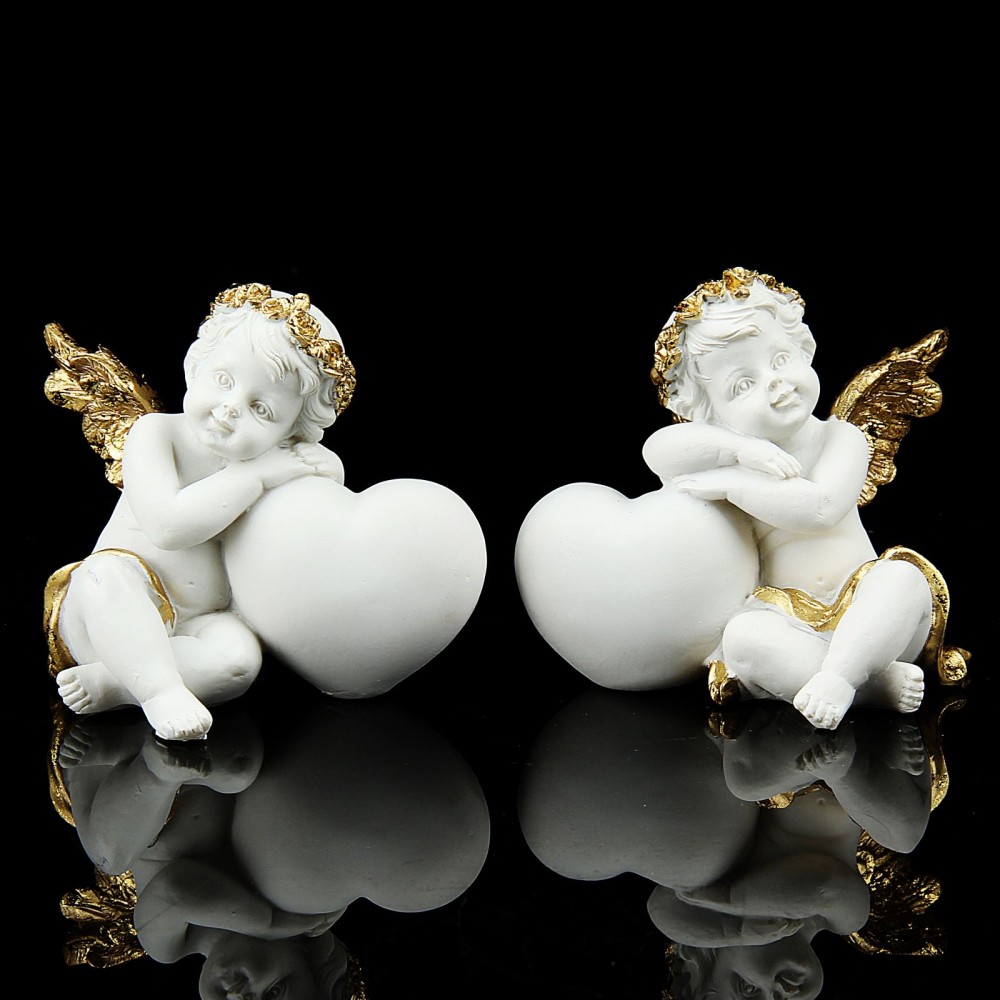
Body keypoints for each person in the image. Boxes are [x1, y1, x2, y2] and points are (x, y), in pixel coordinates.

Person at [46, 284, 354, 740]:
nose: (229, 410)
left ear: (293, 432)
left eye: (261, 409)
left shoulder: (273, 461)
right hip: (106, 611)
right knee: (102, 577)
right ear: (196, 365)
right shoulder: (156, 435)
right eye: (224, 381)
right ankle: (159, 691)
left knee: (239, 661)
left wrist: (321, 468)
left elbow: (317, 512)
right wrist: (254, 477)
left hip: (197, 622)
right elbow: (168, 527)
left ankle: (117, 683)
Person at [643, 268, 931, 729]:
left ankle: (840, 676)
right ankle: (869, 688)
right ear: (710, 415)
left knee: (903, 580)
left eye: (780, 359)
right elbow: (656, 451)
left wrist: (733, 483)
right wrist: (738, 450)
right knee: (743, 635)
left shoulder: (842, 438)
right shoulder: (733, 454)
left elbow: (821, 509)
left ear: (804, 349)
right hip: (786, 618)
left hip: (868, 611)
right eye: (742, 385)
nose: (775, 384)